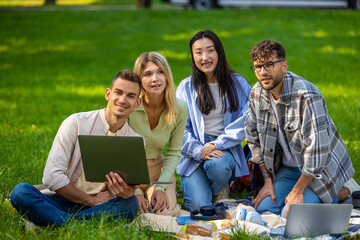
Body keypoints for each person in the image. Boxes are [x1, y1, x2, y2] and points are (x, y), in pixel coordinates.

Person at [9, 70, 142, 226]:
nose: (123, 100)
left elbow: (127, 190)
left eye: (131, 96)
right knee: (20, 192)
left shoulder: (135, 141)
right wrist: (91, 201)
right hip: (61, 199)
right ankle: (75, 223)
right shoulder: (75, 123)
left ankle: (53, 222)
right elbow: (52, 177)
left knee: (130, 204)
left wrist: (125, 192)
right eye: (118, 92)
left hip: (101, 205)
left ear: (137, 103)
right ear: (108, 94)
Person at [245, 40, 355, 218]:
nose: (263, 72)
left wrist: (298, 191)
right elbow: (252, 138)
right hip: (288, 170)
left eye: (269, 65)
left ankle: (343, 189)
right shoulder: (256, 93)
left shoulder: (306, 96)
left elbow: (317, 152)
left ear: (284, 66)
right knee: (264, 211)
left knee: (294, 217)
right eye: (258, 67)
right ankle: (330, 194)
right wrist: (267, 181)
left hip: (320, 170)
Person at [176, 30, 252, 212]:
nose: (205, 57)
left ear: (219, 52)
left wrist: (217, 144)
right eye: (198, 52)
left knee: (217, 165)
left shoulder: (239, 84)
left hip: (223, 149)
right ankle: (204, 180)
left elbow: (246, 120)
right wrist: (198, 150)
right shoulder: (185, 87)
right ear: (192, 56)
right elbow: (179, 128)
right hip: (194, 150)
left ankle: (221, 187)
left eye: (210, 50)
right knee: (197, 207)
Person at [128, 52, 187, 216]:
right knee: (135, 210)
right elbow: (118, 150)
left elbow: (174, 152)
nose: (155, 78)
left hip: (158, 171)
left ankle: (162, 194)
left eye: (160, 72)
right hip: (129, 172)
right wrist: (134, 191)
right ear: (139, 79)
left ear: (167, 75)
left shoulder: (180, 108)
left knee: (163, 212)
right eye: (148, 74)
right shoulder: (130, 106)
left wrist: (161, 186)